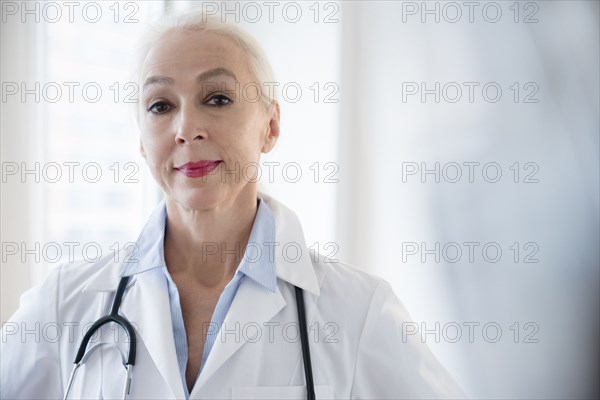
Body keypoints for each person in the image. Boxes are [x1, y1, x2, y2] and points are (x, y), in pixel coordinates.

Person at [0, 10, 464, 400]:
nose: (186, 127)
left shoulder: (358, 313)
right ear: (142, 140)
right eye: (160, 105)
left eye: (217, 98)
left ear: (271, 126)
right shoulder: (65, 302)